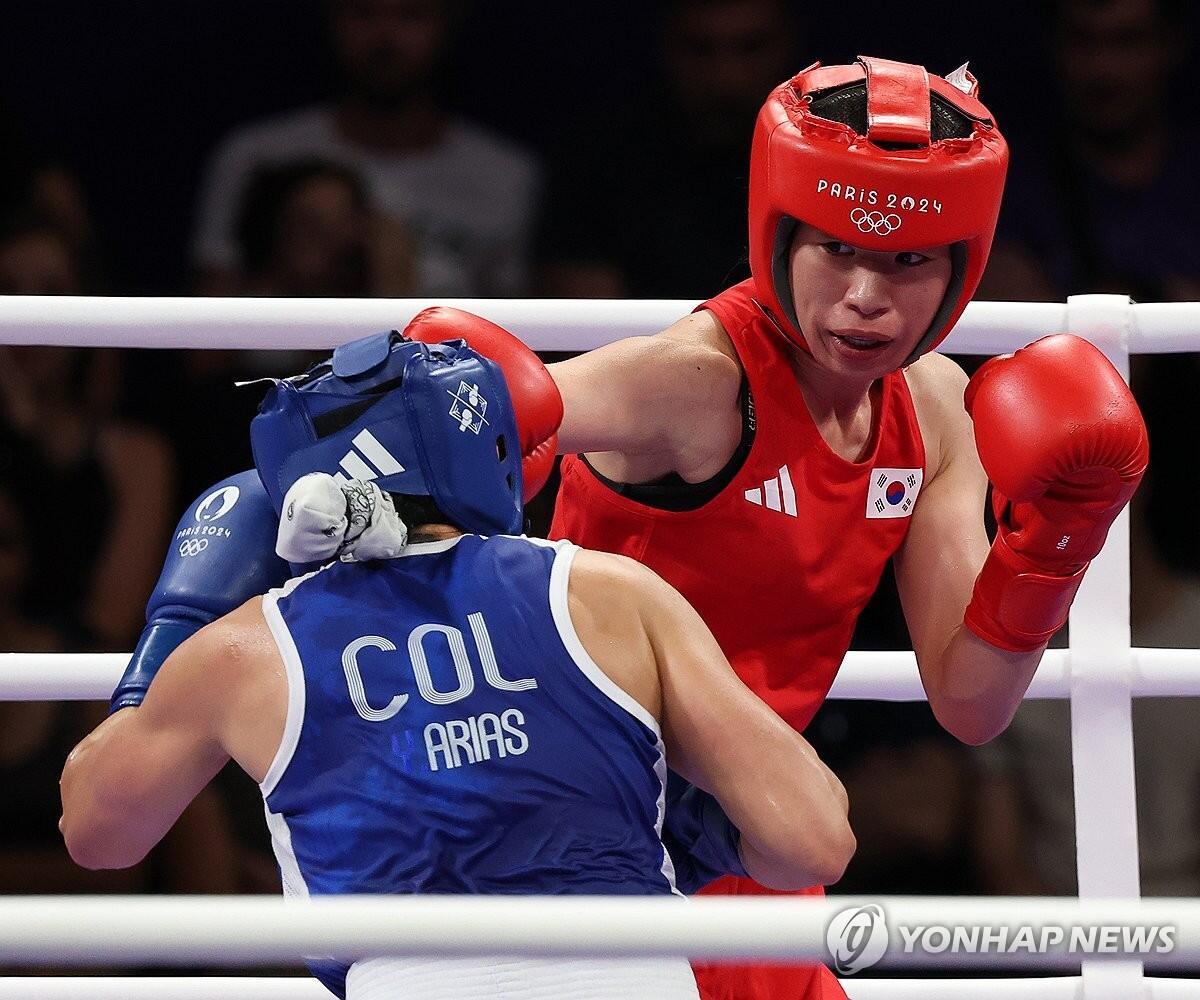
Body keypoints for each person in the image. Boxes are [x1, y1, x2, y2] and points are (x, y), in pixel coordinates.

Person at [114, 56, 1149, 1000]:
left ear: (962, 264)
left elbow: (971, 699)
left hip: (766, 844)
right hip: (612, 855)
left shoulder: (933, 409)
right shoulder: (692, 382)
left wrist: (1055, 539)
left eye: (911, 261)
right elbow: (450, 422)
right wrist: (450, 413)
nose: (869, 300)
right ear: (780, 228)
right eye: (837, 251)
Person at [60, 330, 854, 1000]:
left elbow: (97, 833)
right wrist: (691, 843)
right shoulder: (609, 594)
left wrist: (176, 628)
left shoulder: (241, 652)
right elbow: (813, 841)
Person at [191, 0, 540, 297]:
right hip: (286, 373)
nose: (384, 37)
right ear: (332, 20)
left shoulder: (507, 174)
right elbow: (206, 346)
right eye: (363, 13)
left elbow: (520, 342)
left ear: (446, 26)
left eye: (411, 15)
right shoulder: (257, 155)